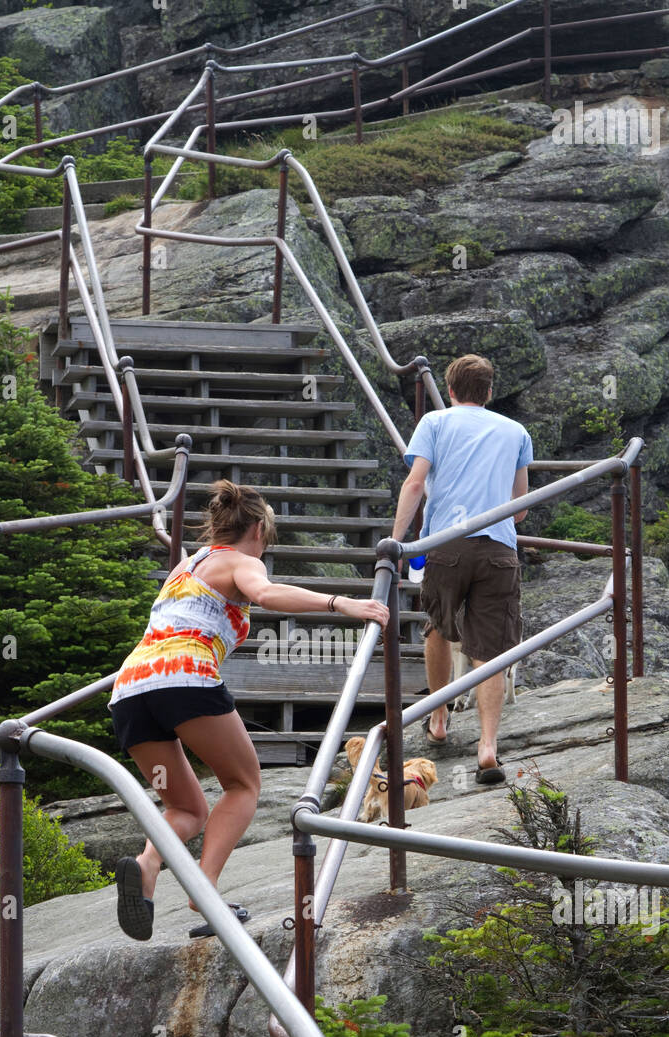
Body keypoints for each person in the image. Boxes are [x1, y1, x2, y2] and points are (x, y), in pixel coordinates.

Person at [108, 480, 389, 941]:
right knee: (243, 784)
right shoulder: (242, 561)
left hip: (132, 688)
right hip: (186, 677)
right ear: (258, 528)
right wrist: (341, 604)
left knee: (185, 807)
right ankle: (206, 892)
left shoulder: (185, 566)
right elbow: (266, 593)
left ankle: (145, 867)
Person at [392, 354, 532, 783]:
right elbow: (521, 505)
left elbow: (415, 483)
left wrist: (397, 543)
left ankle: (438, 718)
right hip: (498, 547)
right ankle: (487, 747)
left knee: (437, 627)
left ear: (450, 391)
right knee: (490, 649)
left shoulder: (435, 423)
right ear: (489, 392)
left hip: (446, 544)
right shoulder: (516, 432)